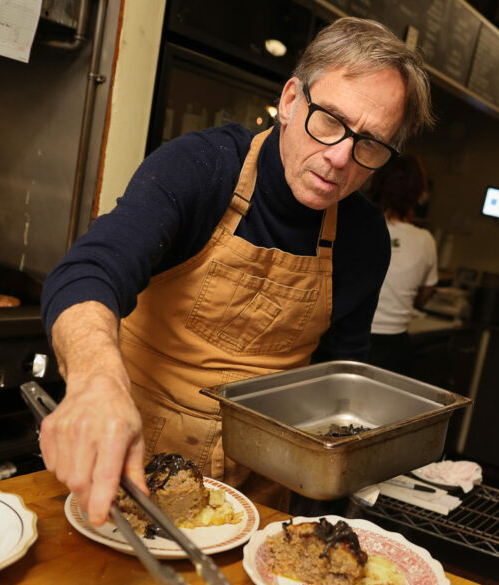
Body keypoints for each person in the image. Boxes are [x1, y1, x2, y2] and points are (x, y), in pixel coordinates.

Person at [38, 17, 434, 523]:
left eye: (370, 144)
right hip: (127, 474)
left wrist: (323, 515)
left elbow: (338, 383)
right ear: (291, 100)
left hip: (260, 495)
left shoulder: (363, 237)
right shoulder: (202, 168)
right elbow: (89, 271)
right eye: (330, 120)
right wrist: (96, 381)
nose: (340, 158)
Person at [367, 154, 438, 374]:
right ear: (417, 193)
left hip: (350, 339)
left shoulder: (359, 225)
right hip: (394, 346)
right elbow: (425, 294)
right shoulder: (425, 240)